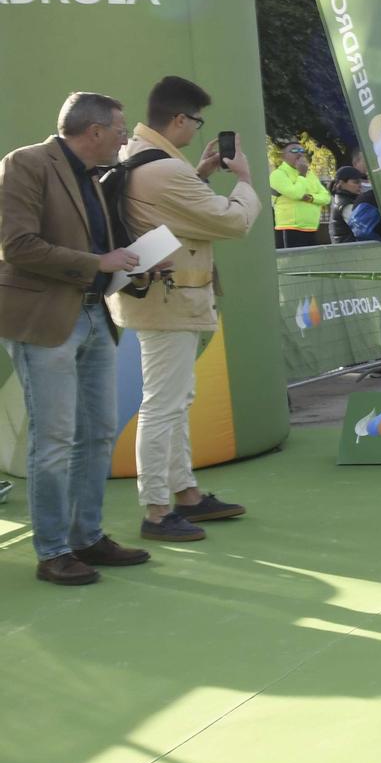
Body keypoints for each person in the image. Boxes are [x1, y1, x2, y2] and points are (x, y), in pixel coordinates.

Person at [0, 93, 150, 585]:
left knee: (99, 432)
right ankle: (53, 551)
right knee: (55, 439)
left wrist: (133, 261)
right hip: (45, 321)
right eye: (120, 127)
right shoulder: (25, 163)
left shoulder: (97, 176)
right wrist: (97, 263)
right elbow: (17, 246)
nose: (126, 135)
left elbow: (98, 247)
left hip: (93, 317)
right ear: (94, 132)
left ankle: (87, 537)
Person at [108, 75, 259, 541]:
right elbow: (233, 222)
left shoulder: (136, 156)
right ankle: (157, 510)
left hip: (160, 298)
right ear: (178, 119)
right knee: (164, 405)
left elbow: (170, 208)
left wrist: (201, 173)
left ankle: (185, 494)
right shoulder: (165, 171)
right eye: (197, 122)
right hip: (170, 300)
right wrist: (245, 181)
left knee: (173, 401)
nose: (198, 130)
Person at [269, 141, 330, 248]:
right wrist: (301, 174)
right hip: (289, 228)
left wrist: (311, 198)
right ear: (283, 157)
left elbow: (326, 197)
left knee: (308, 263)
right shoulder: (278, 174)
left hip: (311, 228)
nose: (300, 153)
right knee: (292, 262)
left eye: (302, 151)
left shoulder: (310, 174)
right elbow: (296, 194)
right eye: (294, 150)